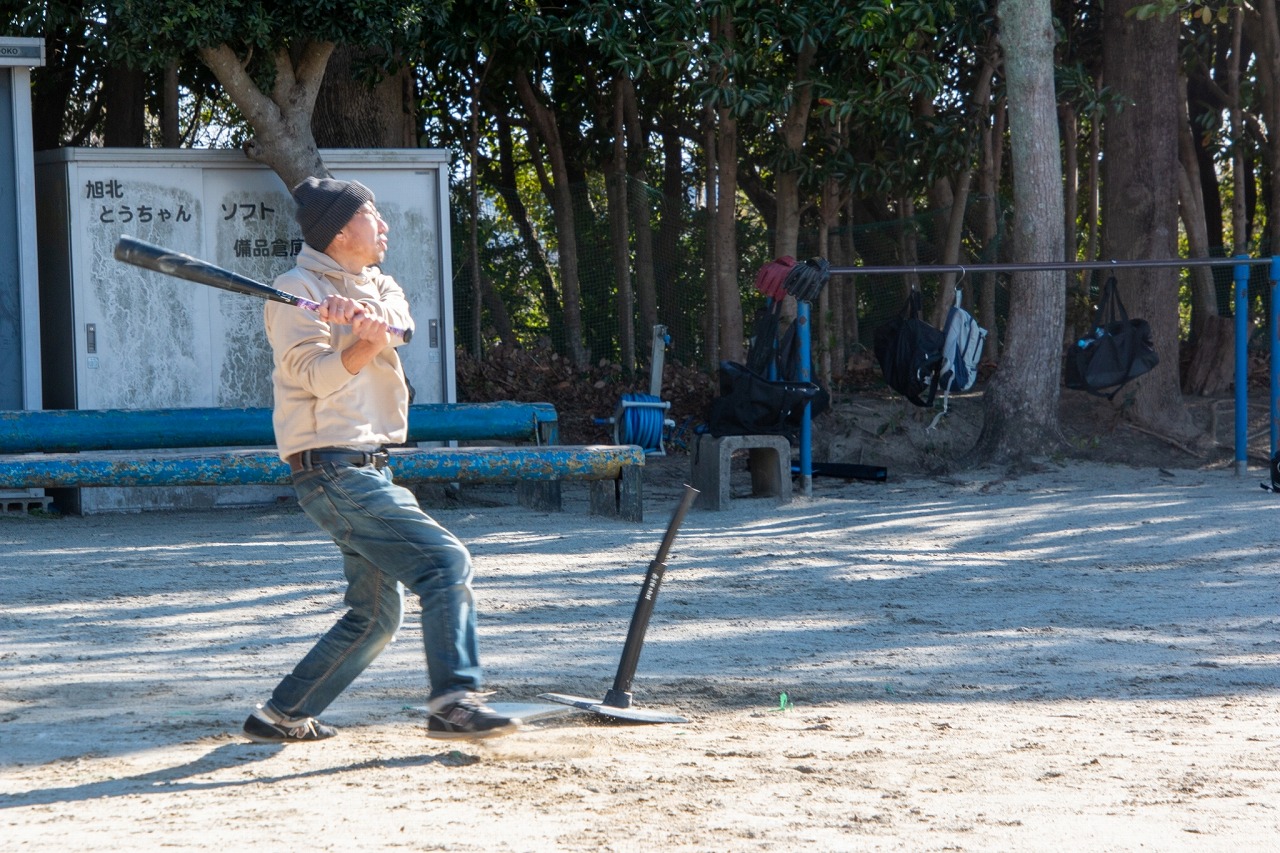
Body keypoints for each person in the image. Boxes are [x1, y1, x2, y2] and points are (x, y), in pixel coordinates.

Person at [242, 176, 520, 744]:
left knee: (375, 615)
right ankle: (455, 701)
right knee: (445, 565)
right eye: (374, 217)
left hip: (371, 467)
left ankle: (281, 714)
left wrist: (362, 319)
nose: (385, 227)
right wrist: (356, 337)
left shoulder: (381, 282)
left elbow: (400, 323)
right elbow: (317, 377)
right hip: (331, 469)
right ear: (342, 232)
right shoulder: (291, 292)